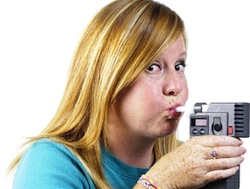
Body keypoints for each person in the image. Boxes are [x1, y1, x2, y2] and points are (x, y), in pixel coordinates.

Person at [9, 0, 246, 188]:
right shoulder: (49, 163)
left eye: (179, 65)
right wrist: (159, 183)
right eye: (152, 67)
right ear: (107, 79)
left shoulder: (188, 164)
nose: (176, 86)